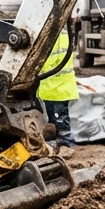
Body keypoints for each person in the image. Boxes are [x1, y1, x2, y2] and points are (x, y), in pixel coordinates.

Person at [37, 28, 78, 159]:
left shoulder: (49, 36)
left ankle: (66, 144)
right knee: (55, 119)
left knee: (59, 119)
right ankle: (56, 143)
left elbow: (46, 63)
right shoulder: (64, 34)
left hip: (56, 87)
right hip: (55, 87)